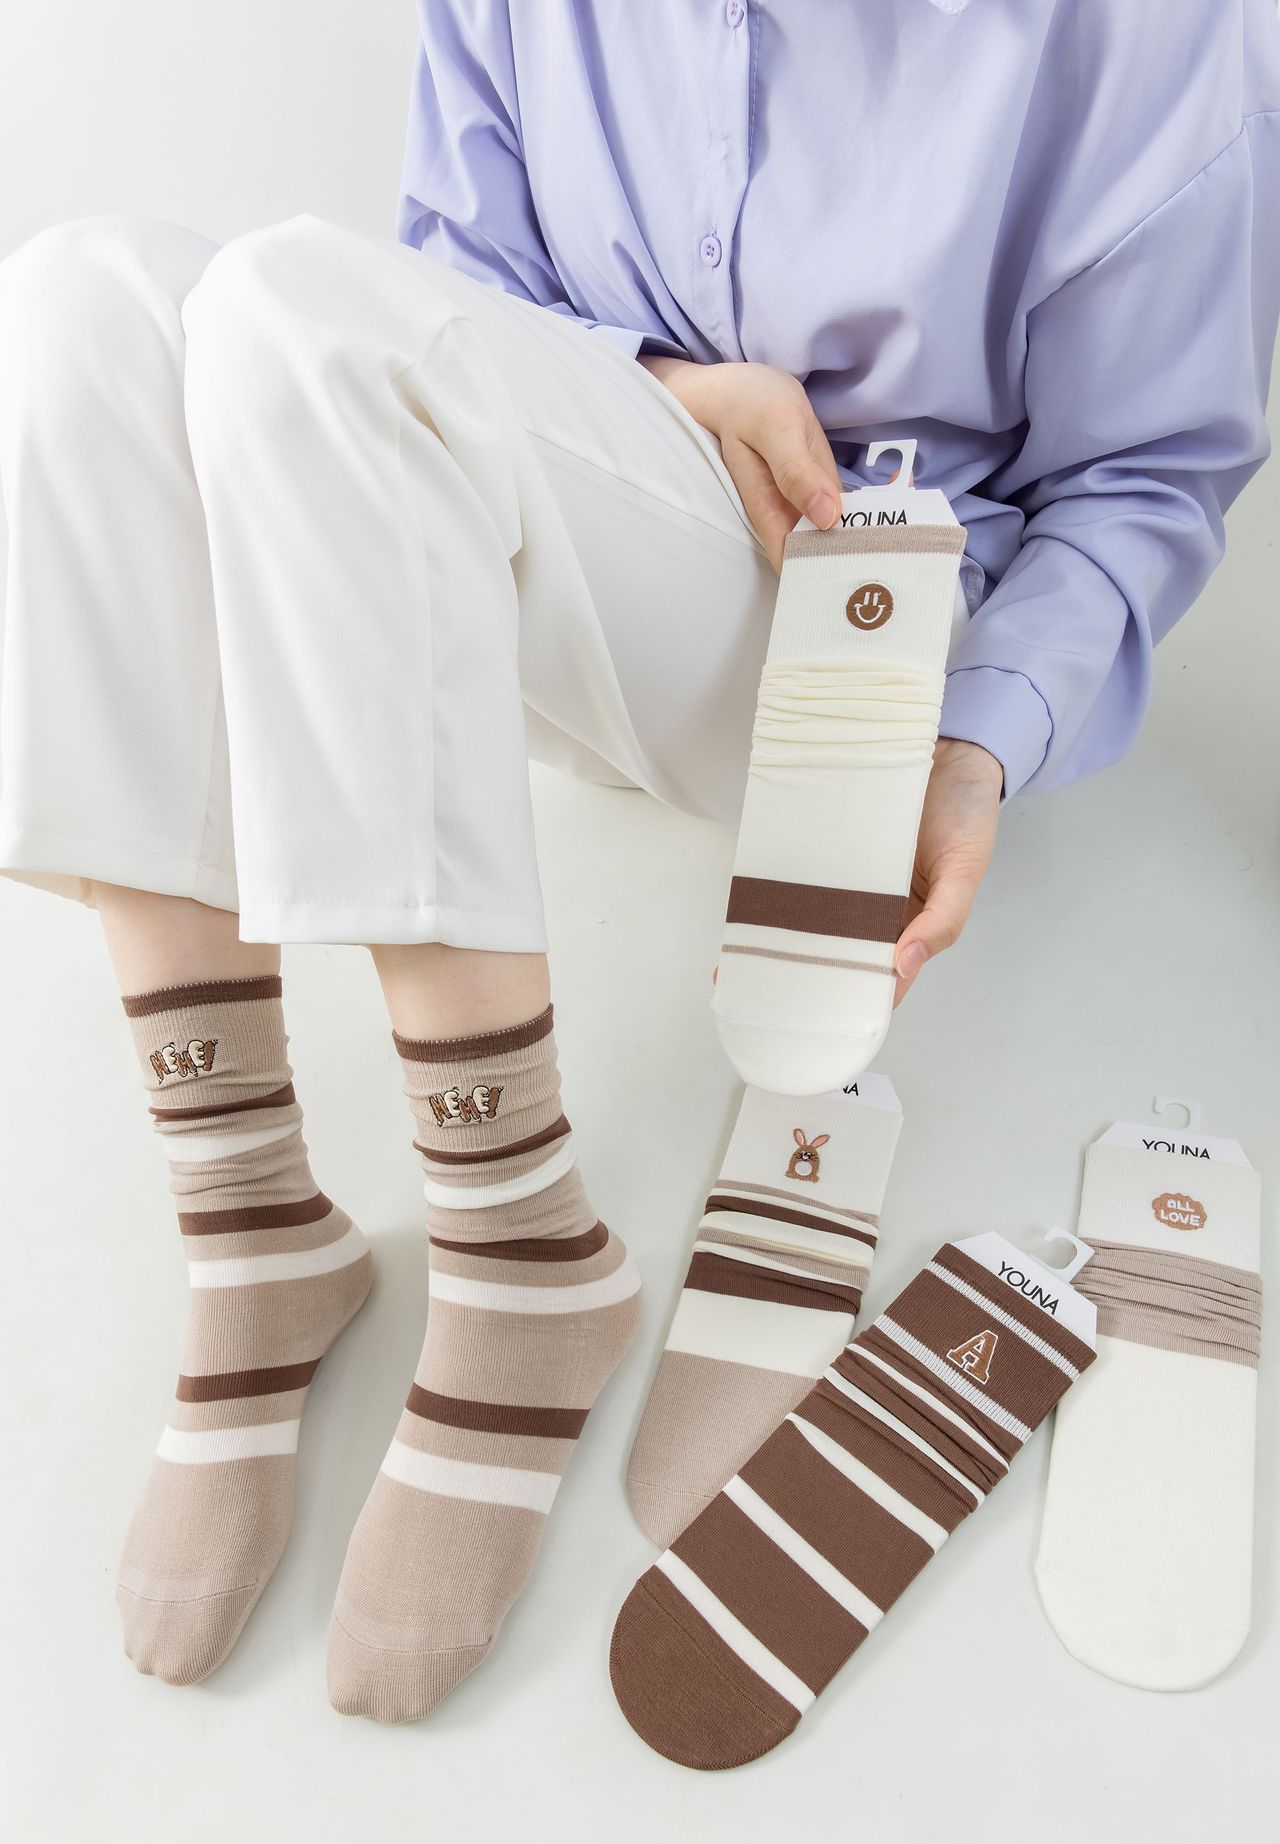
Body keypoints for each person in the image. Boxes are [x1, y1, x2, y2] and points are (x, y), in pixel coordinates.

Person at [0, 1, 1276, 1722]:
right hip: (557, 562)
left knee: (298, 309)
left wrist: (980, 741)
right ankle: (251, 1229)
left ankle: (520, 1247)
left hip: (869, 650)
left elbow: (1145, 476)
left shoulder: (1149, 32)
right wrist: (660, 387)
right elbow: (453, 299)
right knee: (74, 303)